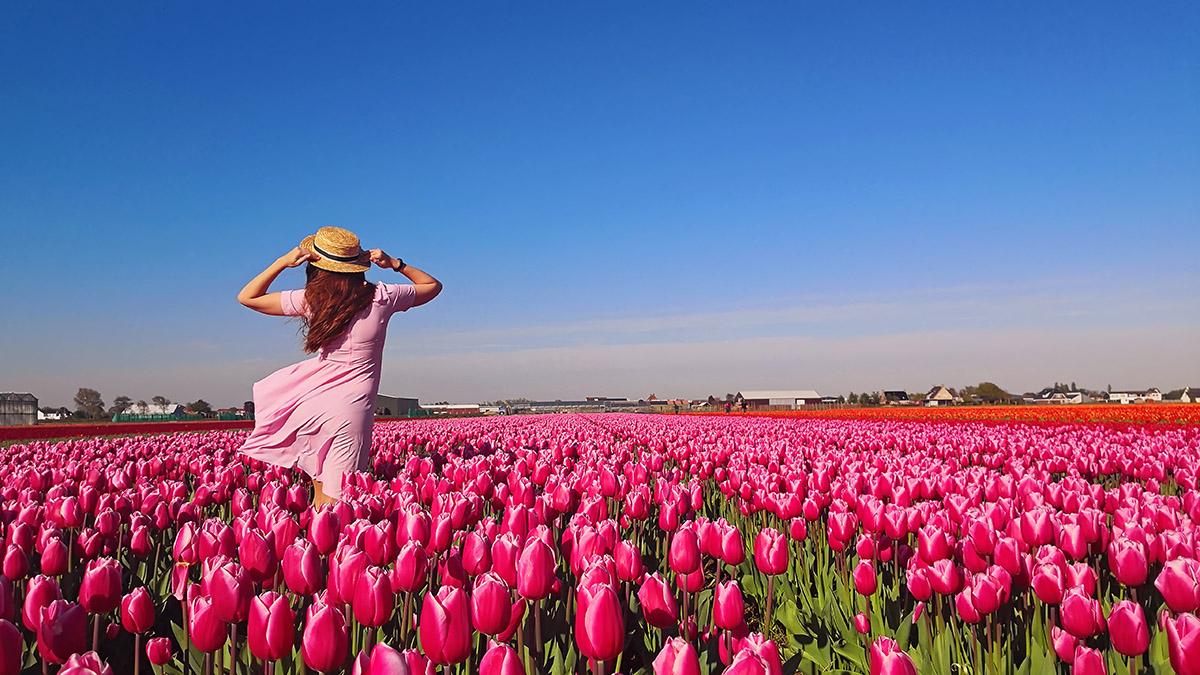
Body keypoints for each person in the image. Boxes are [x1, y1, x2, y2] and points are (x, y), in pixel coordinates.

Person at [235, 226, 442, 505]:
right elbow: (432, 286)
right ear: (358, 265)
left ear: (315, 265)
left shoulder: (312, 299)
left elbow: (248, 297)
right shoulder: (382, 296)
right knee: (339, 501)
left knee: (321, 493)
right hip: (351, 407)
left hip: (313, 401)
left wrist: (283, 262)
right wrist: (395, 264)